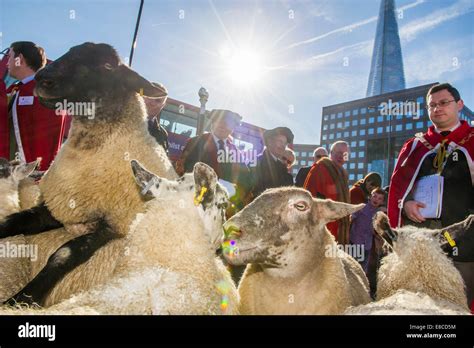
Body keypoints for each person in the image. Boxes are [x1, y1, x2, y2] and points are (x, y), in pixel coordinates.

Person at [387, 83, 474, 308]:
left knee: (460, 304)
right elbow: (398, 187)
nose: (437, 108)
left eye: (444, 102)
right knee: (419, 302)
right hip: (422, 240)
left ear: (460, 105)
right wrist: (405, 204)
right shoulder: (415, 146)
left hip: (465, 242)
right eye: (432, 105)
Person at [0, 42, 70, 170]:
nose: (6, 62)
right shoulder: (18, 90)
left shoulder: (45, 92)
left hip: (29, 175)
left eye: (9, 57)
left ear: (19, 59)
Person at [177, 109, 252, 211]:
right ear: (212, 123)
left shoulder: (235, 151)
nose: (222, 125)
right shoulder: (196, 142)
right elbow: (187, 169)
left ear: (233, 128)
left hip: (223, 205)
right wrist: (215, 184)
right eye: (219, 121)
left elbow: (245, 178)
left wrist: (235, 190)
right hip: (197, 202)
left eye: (228, 123)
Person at [304, 141, 351, 244]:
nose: (341, 156)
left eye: (344, 154)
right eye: (338, 152)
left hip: (337, 229)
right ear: (331, 153)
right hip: (323, 230)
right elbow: (312, 199)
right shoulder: (321, 168)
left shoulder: (343, 174)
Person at [349, 188, 386, 273]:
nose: (376, 199)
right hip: (355, 242)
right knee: (352, 266)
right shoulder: (362, 207)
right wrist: (350, 218)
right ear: (370, 197)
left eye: (380, 198)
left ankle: (361, 284)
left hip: (367, 246)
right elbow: (351, 217)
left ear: (382, 202)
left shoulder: (379, 213)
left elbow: (377, 229)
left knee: (362, 270)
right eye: (375, 196)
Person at [252, 126, 294, 198]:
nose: (283, 146)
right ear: (270, 141)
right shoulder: (257, 162)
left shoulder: (282, 168)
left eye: (285, 143)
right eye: (280, 141)